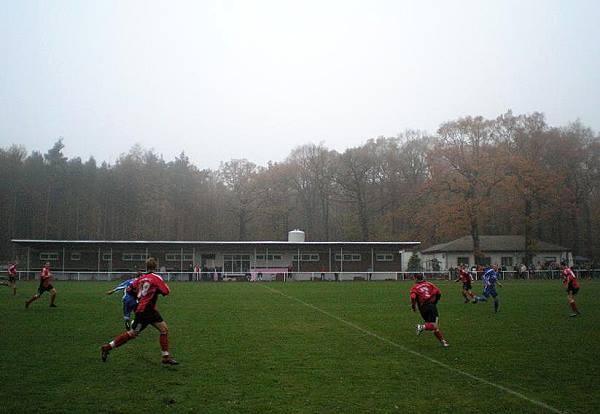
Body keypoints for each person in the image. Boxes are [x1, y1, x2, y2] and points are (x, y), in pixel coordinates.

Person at [101, 257, 178, 365]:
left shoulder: (140, 279)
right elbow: (166, 291)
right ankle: (165, 356)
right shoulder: (156, 277)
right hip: (149, 310)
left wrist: (139, 296)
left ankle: (108, 347)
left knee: (134, 333)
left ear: (146, 267)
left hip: (141, 309)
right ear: (155, 266)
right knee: (163, 330)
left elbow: (129, 289)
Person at [410, 274, 449, 347]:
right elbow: (439, 293)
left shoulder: (414, 287)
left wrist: (413, 306)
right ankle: (421, 327)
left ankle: (443, 342)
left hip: (422, 309)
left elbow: (413, 297)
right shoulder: (429, 284)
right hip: (431, 306)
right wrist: (435, 302)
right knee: (434, 325)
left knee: (432, 326)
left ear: (415, 278)